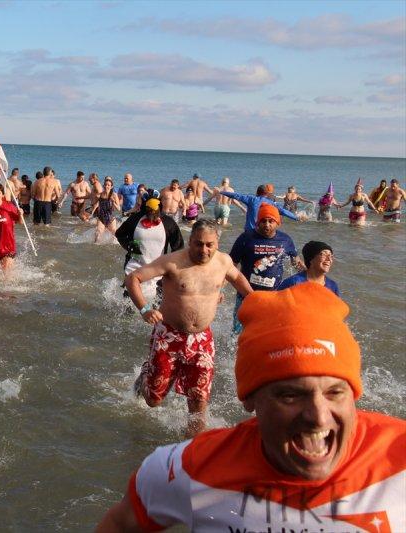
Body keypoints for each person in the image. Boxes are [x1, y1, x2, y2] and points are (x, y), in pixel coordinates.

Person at [97, 283, 406, 533]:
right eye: (290, 395)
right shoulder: (190, 468)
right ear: (249, 398)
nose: (318, 417)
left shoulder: (398, 458)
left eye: (335, 392)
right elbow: (121, 523)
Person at [125, 220, 253, 436]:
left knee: (198, 402)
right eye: (198, 244)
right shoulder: (172, 262)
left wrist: (260, 304)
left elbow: (239, 279)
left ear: (217, 243)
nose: (204, 249)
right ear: (190, 241)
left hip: (202, 339)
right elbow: (133, 278)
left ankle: (192, 452)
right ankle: (145, 375)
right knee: (153, 401)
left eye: (209, 244)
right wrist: (145, 309)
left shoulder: (223, 262)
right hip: (169, 336)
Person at [229, 203, 304, 333]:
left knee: (269, 331)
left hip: (273, 295)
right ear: (258, 222)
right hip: (246, 295)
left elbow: (296, 262)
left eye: (271, 221)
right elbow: (230, 266)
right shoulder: (246, 238)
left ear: (278, 223)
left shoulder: (285, 240)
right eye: (263, 221)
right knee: (239, 332)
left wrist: (311, 276)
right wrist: (218, 288)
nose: (267, 224)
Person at [116, 196, 184, 299]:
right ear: (145, 209)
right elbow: (120, 234)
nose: (152, 213)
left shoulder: (168, 223)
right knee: (129, 301)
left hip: (159, 269)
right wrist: (129, 245)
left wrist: (173, 268)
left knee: (157, 304)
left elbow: (178, 246)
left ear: (159, 209)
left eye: (155, 211)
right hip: (134, 265)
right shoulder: (135, 219)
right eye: (150, 210)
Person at [222, 184, 300, 231]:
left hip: (249, 231)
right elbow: (283, 211)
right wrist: (296, 218)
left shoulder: (251, 199)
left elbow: (236, 195)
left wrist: (222, 192)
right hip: (262, 231)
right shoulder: (271, 203)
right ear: (266, 194)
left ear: (257, 192)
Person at [91, 176, 121, 243]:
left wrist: (113, 202)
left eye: (108, 185)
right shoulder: (100, 195)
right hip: (101, 217)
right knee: (98, 233)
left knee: (115, 235)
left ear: (111, 186)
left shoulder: (114, 195)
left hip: (110, 218)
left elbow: (119, 209)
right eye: (105, 185)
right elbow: (97, 203)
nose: (107, 186)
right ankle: (95, 247)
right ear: (103, 185)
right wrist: (92, 212)